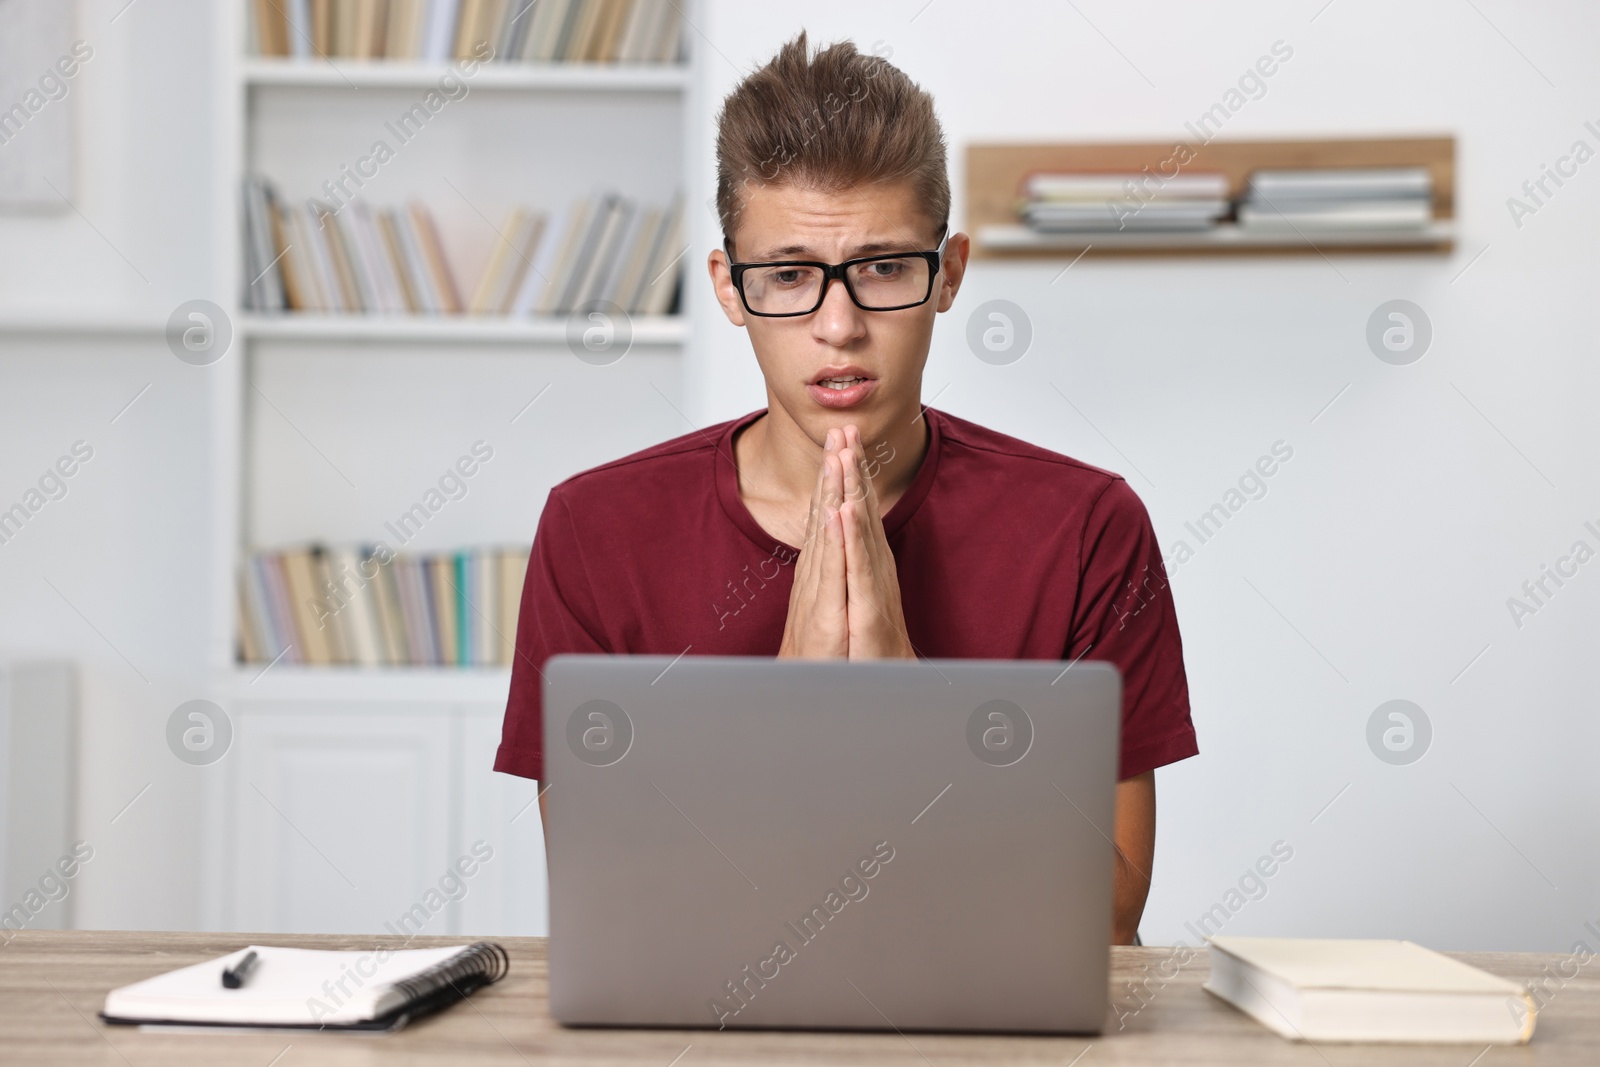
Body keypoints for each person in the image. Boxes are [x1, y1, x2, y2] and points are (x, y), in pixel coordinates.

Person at [495, 31, 1197, 944]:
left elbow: (1105, 923)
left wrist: (905, 712)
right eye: (788, 275)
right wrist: (794, 717)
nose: (839, 325)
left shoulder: (1087, 528)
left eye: (882, 269)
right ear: (730, 287)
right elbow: (615, 909)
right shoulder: (595, 530)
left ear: (947, 275)